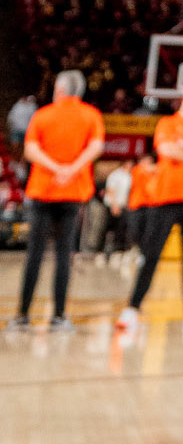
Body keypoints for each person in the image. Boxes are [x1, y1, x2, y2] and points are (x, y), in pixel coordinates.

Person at [117, 81, 183, 343]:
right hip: (164, 199)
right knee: (151, 254)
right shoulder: (166, 124)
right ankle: (133, 307)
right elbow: (166, 150)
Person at [8, 69, 103, 330]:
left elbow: (31, 150)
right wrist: (71, 169)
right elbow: (95, 147)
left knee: (35, 254)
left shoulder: (43, 115)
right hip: (72, 194)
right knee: (64, 254)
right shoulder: (91, 115)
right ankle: (59, 317)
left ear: (59, 89)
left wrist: (55, 168)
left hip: (43, 191)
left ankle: (22, 316)